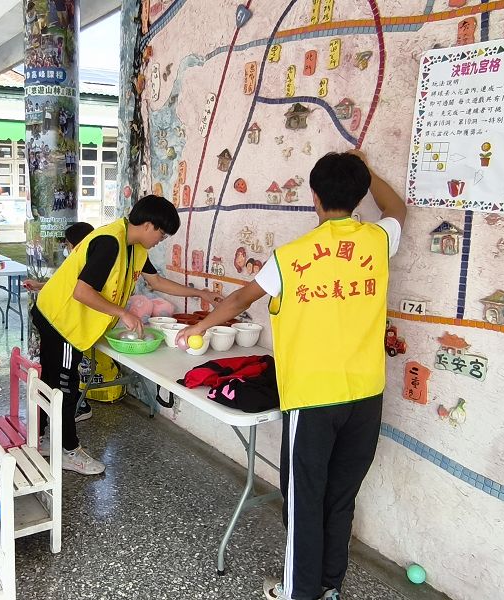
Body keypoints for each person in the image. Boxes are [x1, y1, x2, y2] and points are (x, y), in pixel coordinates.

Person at [176, 151, 407, 600]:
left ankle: (299, 593)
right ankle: (329, 586)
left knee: (304, 501)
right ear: (360, 195)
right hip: (366, 396)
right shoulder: (378, 240)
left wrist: (199, 328)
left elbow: (240, 300)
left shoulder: (290, 258)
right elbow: (397, 208)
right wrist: (368, 170)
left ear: (314, 197)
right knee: (340, 498)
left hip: (313, 399)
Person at [33, 195, 223, 475]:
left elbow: (156, 282)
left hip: (65, 318)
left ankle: (44, 439)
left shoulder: (134, 247)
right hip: (60, 321)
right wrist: (123, 313)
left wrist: (200, 293)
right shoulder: (110, 242)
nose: (161, 240)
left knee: (55, 383)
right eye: (162, 233)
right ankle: (68, 450)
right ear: (147, 225)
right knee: (65, 387)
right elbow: (82, 292)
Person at [23, 221, 95, 292]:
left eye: (67, 244)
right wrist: (39, 285)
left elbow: (75, 290)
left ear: (76, 245)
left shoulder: (85, 267)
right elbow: (62, 285)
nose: (66, 248)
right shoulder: (81, 263)